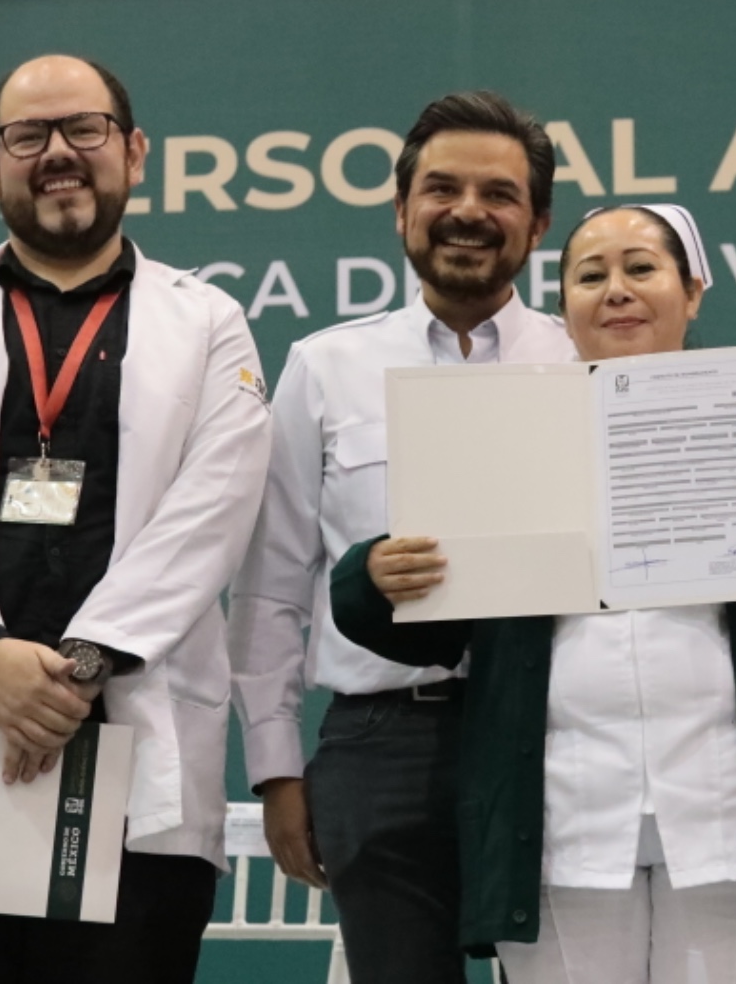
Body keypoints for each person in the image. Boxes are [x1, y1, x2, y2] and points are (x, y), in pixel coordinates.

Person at [328, 203, 736, 983]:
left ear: (693, 291)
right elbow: (422, 627)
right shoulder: (506, 434)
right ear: (563, 305)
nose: (616, 290)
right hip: (559, 824)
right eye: (590, 276)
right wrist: (372, 577)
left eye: (641, 268)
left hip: (735, 819)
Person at [226, 90, 577, 983]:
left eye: (499, 194)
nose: (468, 211)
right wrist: (276, 771)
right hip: (380, 745)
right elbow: (271, 586)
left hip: (562, 735)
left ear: (538, 223)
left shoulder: (586, 363)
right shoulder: (325, 366)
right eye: (442, 188)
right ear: (401, 210)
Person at [0, 55, 271, 983]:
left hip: (134, 763)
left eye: (84, 129)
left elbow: (213, 512)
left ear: (134, 152)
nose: (58, 152)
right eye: (28, 135)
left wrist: (79, 667)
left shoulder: (209, 322)